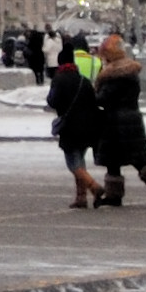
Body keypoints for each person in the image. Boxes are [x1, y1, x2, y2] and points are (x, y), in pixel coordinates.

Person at [91, 32, 146, 208]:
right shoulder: (129, 71)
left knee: (118, 160)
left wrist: (92, 96)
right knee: (131, 158)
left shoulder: (114, 75)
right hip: (130, 119)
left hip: (117, 122)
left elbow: (104, 98)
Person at [46, 40, 101, 211]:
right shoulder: (83, 80)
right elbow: (94, 101)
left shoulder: (59, 80)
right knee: (80, 161)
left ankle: (94, 187)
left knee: (73, 164)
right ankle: (81, 197)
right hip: (87, 127)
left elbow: (52, 101)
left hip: (69, 127)